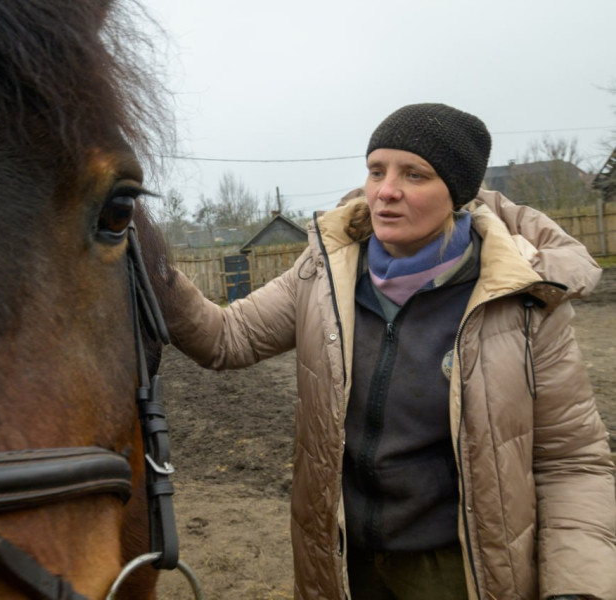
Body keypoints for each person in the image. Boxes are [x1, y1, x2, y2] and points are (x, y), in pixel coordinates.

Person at [160, 103, 616, 599]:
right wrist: (147, 255)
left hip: (459, 572)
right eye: (376, 171)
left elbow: (571, 461)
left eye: (414, 174)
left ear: (456, 193)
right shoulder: (324, 275)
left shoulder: (521, 301)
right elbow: (226, 338)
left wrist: (577, 587)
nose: (385, 190)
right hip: (342, 565)